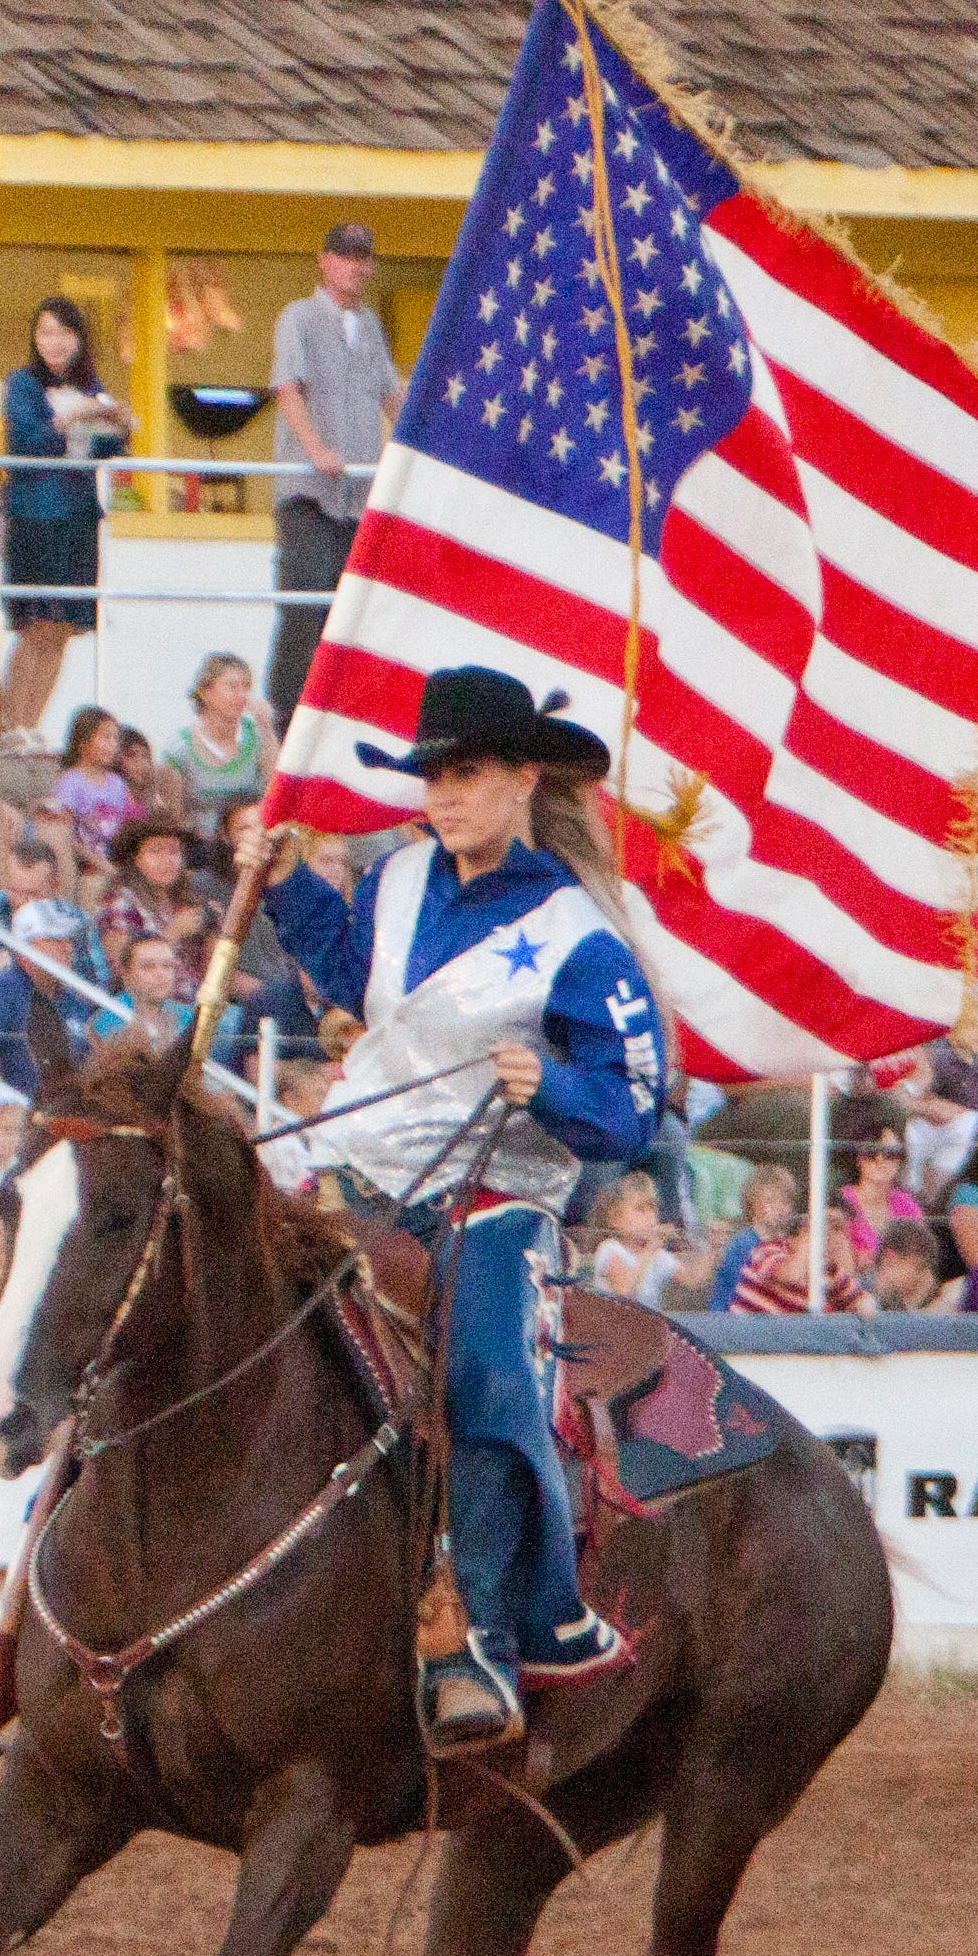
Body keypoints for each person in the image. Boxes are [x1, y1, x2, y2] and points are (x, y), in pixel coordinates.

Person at [246, 664, 675, 1748]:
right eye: (433, 776)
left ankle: (477, 1641)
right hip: (350, 1161)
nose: (442, 797)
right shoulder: (393, 881)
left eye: (467, 774)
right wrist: (285, 884)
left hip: (496, 1192)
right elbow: (358, 984)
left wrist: (555, 1087)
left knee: (486, 1370)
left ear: (524, 779)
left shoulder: (582, 933)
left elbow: (633, 1105)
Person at [266, 222, 399, 718]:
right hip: (309, 493)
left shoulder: (371, 327)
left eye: (362, 257)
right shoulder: (297, 317)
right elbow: (287, 389)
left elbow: (391, 396)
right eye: (345, 256)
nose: (355, 266)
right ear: (325, 260)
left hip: (358, 496)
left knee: (353, 610)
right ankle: (285, 712)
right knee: (304, 606)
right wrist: (316, 449)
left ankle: (337, 710)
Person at [0, 298, 126, 746]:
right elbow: (29, 441)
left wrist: (117, 421)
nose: (54, 343)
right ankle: (11, 725)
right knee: (36, 623)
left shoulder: (92, 385)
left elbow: (108, 445)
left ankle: (32, 724)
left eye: (64, 333)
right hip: (34, 513)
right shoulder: (21, 383)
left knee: (64, 627)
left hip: (78, 514)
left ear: (79, 338)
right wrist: (75, 415)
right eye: (45, 332)